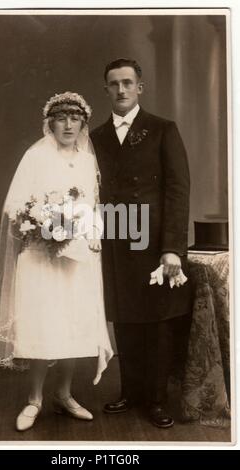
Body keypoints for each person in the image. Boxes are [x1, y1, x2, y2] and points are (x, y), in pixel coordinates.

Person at [0, 92, 113, 431]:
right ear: (50, 123)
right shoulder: (35, 157)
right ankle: (34, 400)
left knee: (73, 326)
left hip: (77, 257)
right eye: (61, 117)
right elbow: (15, 207)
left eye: (75, 118)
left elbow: (94, 205)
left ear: (83, 123)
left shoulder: (87, 161)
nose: (68, 124)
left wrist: (83, 232)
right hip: (41, 256)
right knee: (43, 325)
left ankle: (64, 394)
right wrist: (46, 225)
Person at [91, 58, 192, 428]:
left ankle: (156, 399)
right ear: (106, 89)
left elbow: (178, 192)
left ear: (140, 88)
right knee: (127, 318)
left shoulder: (163, 129)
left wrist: (172, 248)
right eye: (114, 83)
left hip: (154, 243)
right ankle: (130, 392)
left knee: (158, 322)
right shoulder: (96, 136)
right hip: (117, 239)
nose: (121, 89)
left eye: (127, 83)